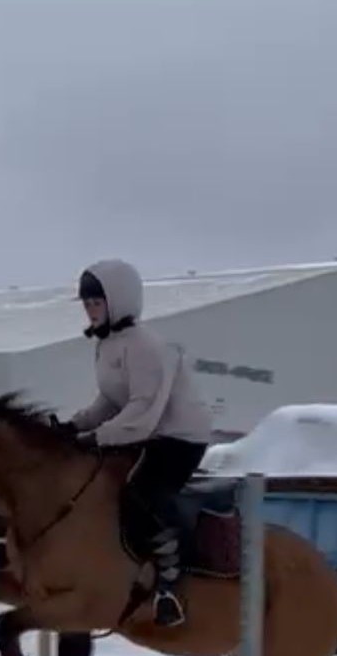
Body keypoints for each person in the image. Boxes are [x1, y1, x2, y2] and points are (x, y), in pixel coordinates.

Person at [63, 258, 214, 628]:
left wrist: (94, 438)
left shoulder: (146, 346)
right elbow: (109, 401)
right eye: (87, 304)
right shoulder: (108, 345)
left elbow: (142, 411)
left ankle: (170, 586)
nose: (90, 310)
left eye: (97, 302)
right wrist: (72, 426)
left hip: (179, 436)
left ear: (118, 300)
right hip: (146, 432)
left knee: (141, 491)